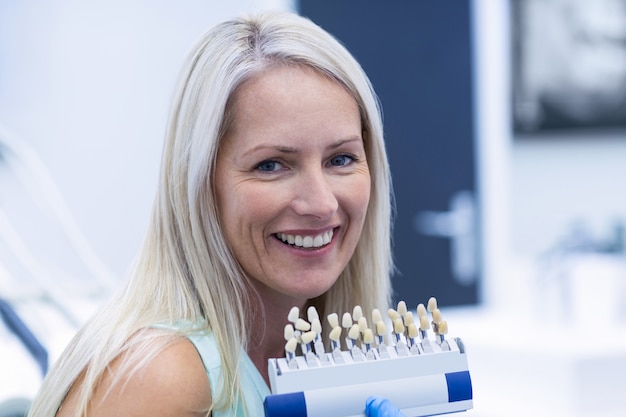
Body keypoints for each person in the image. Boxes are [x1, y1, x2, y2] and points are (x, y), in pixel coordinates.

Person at [27, 11, 405, 417]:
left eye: (341, 158)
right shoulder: (164, 374)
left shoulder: (313, 355)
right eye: (271, 165)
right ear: (201, 185)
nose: (322, 204)